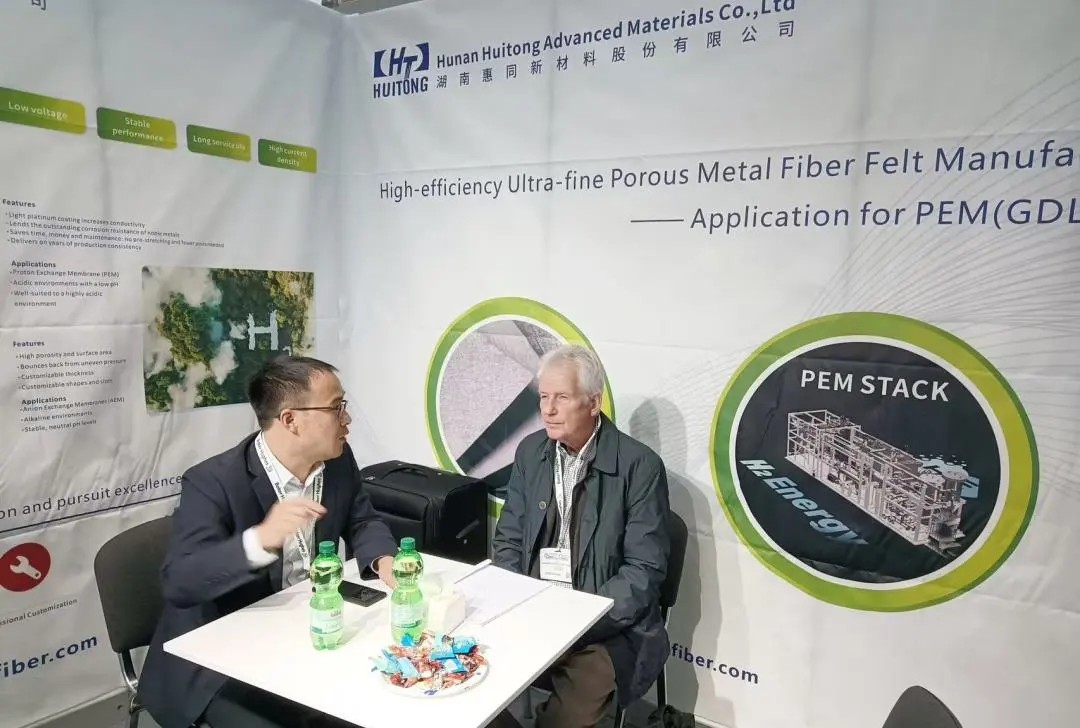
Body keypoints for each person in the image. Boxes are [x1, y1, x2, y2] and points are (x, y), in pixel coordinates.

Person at [140, 356, 398, 728]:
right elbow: (180, 581)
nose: (347, 419)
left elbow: (362, 519)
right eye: (335, 408)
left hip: (305, 629)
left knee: (381, 697)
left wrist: (384, 560)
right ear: (290, 419)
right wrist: (259, 540)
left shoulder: (337, 461)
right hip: (221, 660)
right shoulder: (213, 482)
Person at [490, 344, 672, 728]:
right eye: (543, 397)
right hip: (534, 610)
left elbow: (643, 571)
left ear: (593, 403)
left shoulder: (640, 467)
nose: (548, 409)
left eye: (561, 397)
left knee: (567, 717)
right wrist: (515, 600)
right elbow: (508, 539)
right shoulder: (530, 452)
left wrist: (579, 619)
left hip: (607, 629)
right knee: (471, 681)